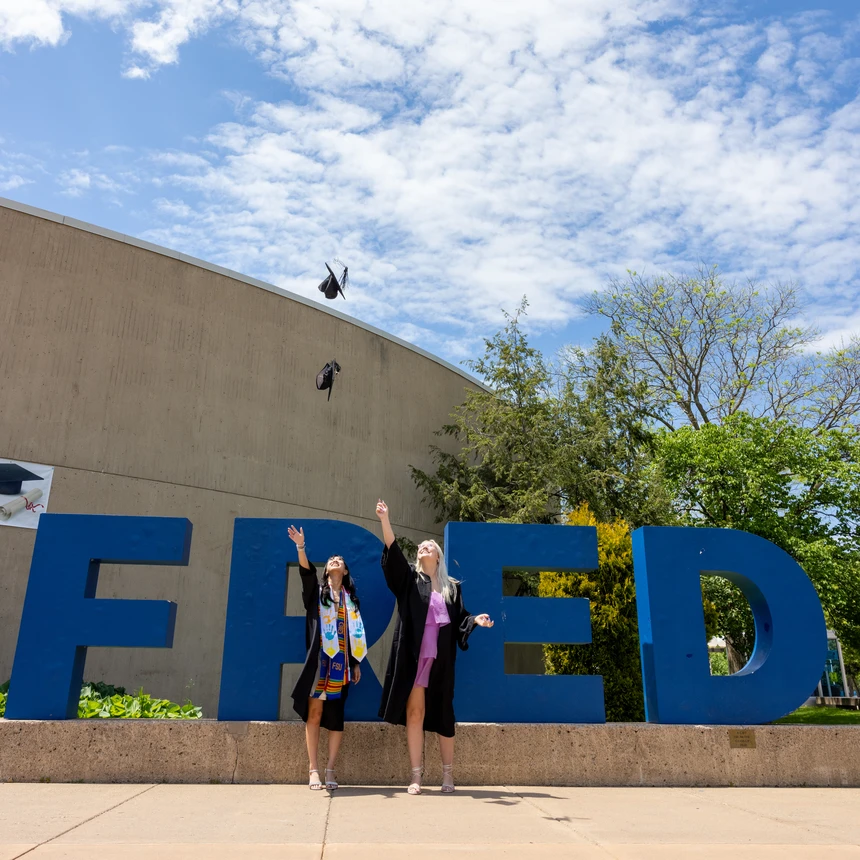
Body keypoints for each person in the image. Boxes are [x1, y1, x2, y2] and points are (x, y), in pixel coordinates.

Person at [374, 499, 493, 795]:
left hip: (441, 660)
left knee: (443, 713)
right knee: (415, 713)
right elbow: (393, 555)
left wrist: (476, 619)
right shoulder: (410, 581)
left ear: (438, 556)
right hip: (415, 658)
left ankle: (448, 775)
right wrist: (385, 519)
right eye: (421, 547)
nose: (423, 547)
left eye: (429, 546)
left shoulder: (452, 587)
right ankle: (416, 776)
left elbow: (461, 618)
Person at [288, 524, 367, 790]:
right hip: (320, 664)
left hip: (342, 666)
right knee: (315, 713)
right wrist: (301, 546)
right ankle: (313, 770)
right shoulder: (317, 595)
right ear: (326, 570)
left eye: (340, 561)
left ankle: (331, 769)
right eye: (331, 560)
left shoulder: (352, 601)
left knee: (336, 717)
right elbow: (305, 572)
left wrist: (355, 663)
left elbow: (354, 636)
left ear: (345, 571)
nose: (335, 561)